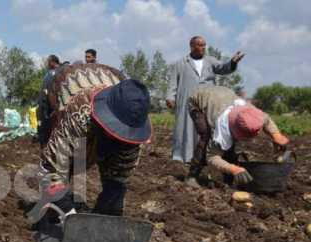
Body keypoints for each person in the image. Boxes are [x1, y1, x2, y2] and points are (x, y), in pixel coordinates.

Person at [34, 78, 152, 219]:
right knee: (57, 196)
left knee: (112, 201)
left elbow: (120, 175)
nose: (117, 135)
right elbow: (51, 169)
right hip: (63, 108)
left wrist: (104, 214)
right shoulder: (80, 113)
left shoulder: (134, 123)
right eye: (115, 130)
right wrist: (68, 213)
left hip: (101, 127)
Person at [186, 85, 289, 186]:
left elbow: (266, 120)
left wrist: (277, 136)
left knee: (231, 145)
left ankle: (228, 180)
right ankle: (192, 175)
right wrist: (233, 169)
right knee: (206, 137)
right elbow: (212, 157)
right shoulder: (218, 123)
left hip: (223, 95)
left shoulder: (249, 111)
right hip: (198, 100)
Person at [167, 36, 245, 163]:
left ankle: (206, 157)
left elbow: (223, 68)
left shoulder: (210, 60)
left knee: (207, 129)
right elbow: (172, 83)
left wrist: (233, 62)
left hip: (207, 102)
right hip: (187, 101)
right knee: (185, 128)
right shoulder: (180, 63)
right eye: (200, 45)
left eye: (204, 45)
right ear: (192, 46)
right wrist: (170, 97)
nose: (204, 47)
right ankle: (183, 157)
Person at [37, 55, 61, 146]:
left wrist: (46, 113)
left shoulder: (50, 74)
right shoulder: (64, 72)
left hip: (51, 110)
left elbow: (44, 96)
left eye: (48, 62)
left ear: (52, 62)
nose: (47, 64)